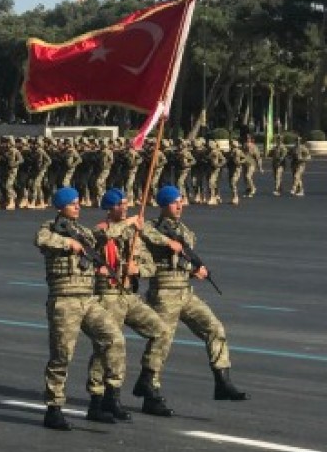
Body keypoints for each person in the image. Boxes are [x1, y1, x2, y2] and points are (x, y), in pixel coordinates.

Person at [142, 185, 249, 403]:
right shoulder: (151, 227)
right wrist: (168, 242)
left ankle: (222, 380)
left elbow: (182, 261)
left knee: (215, 329)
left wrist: (195, 270)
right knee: (161, 341)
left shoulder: (186, 233)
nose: (180, 205)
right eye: (174, 202)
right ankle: (150, 391)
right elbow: (144, 232)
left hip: (185, 292)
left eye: (181, 201)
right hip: (164, 293)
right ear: (163, 205)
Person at [34, 187, 127, 431]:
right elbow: (41, 240)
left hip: (88, 299)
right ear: (61, 206)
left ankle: (109, 394)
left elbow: (99, 238)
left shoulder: (84, 231)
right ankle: (53, 409)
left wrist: (125, 226)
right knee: (62, 355)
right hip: (64, 300)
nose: (78, 207)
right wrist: (68, 244)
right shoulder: (50, 227)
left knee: (113, 339)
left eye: (78, 203)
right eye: (73, 203)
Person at [91, 189, 174, 418]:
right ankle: (99, 399)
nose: (125, 208)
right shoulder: (101, 229)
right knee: (106, 348)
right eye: (120, 205)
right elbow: (103, 237)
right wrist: (129, 222)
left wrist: (138, 269)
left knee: (161, 332)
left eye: (127, 204)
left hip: (128, 294)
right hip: (108, 295)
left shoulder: (133, 234)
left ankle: (147, 378)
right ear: (110, 208)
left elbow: (151, 265)